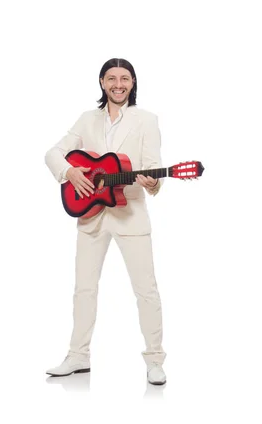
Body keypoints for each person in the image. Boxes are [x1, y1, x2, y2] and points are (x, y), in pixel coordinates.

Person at [45, 58, 167, 385]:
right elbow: (53, 153)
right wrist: (69, 171)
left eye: (124, 78)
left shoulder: (147, 120)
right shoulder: (87, 120)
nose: (118, 84)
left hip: (131, 213)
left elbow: (154, 168)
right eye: (111, 78)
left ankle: (155, 359)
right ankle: (77, 356)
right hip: (91, 214)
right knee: (84, 289)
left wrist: (154, 183)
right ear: (102, 82)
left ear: (132, 83)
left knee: (146, 290)